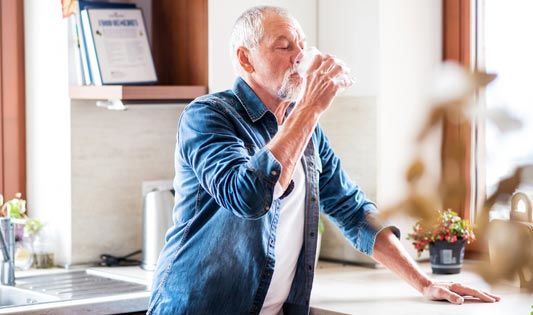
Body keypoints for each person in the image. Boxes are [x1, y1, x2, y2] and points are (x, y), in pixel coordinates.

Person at [148, 6, 500, 315]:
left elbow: (351, 210)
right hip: (196, 305)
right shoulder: (208, 115)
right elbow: (249, 196)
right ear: (245, 59)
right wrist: (310, 108)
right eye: (284, 46)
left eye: (301, 46)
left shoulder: (306, 130)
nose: (299, 57)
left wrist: (424, 283)